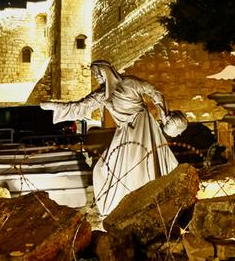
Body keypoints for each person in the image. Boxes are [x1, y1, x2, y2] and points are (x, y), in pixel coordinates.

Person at [41, 60, 181, 217]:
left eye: (98, 72)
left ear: (107, 71)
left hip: (142, 125)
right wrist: (55, 107)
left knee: (139, 162)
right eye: (95, 74)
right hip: (124, 131)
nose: (97, 77)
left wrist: (164, 114)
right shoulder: (102, 94)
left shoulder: (130, 83)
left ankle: (150, 198)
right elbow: (81, 107)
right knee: (106, 167)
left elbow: (154, 92)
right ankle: (124, 202)